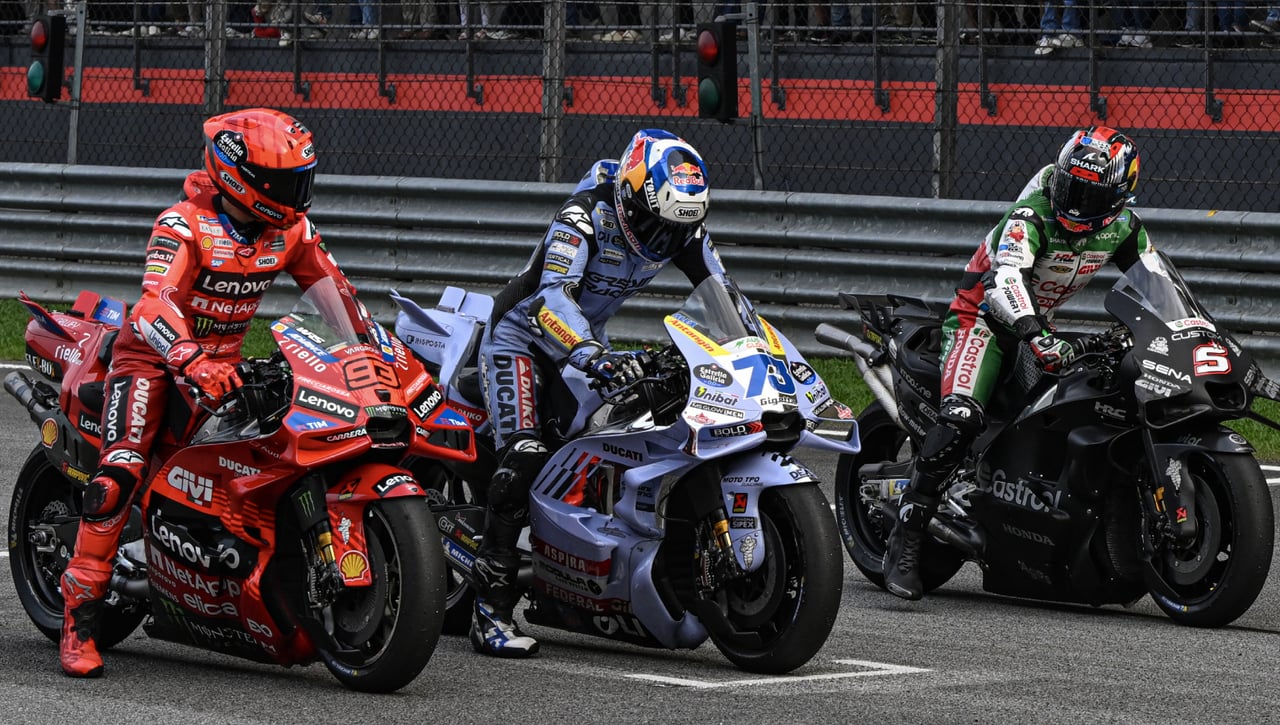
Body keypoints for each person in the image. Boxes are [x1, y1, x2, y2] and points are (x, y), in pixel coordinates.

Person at [59, 108, 362, 677]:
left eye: (301, 180)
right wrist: (190, 359)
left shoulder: (292, 231)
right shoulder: (183, 225)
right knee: (118, 475)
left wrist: (369, 351)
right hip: (152, 362)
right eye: (283, 183)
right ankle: (79, 619)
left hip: (226, 367)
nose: (296, 194)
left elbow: (337, 298)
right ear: (240, 177)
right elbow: (152, 305)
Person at [470, 129, 729, 657]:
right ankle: (489, 610)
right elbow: (551, 299)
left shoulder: (682, 227)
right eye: (654, 224)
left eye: (676, 229)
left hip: (588, 343)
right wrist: (592, 353)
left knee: (621, 437)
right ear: (631, 199)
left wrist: (746, 348)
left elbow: (723, 296)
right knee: (525, 454)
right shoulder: (584, 216)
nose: (663, 239)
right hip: (522, 338)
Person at [880, 126, 1153, 601]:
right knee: (962, 415)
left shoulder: (1125, 227)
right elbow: (1005, 280)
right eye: (1070, 186)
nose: (1075, 202)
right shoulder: (1031, 215)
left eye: (1089, 195)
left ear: (1118, 196)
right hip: (982, 320)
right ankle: (908, 531)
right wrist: (1038, 336)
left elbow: (1155, 281)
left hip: (1038, 324)